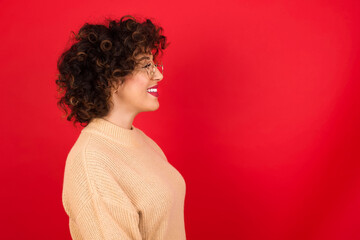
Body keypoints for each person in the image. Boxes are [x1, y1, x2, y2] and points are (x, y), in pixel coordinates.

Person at [55, 15, 186, 240]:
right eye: (146, 65)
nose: (159, 74)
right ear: (111, 79)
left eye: (155, 64)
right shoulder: (91, 162)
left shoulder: (142, 141)